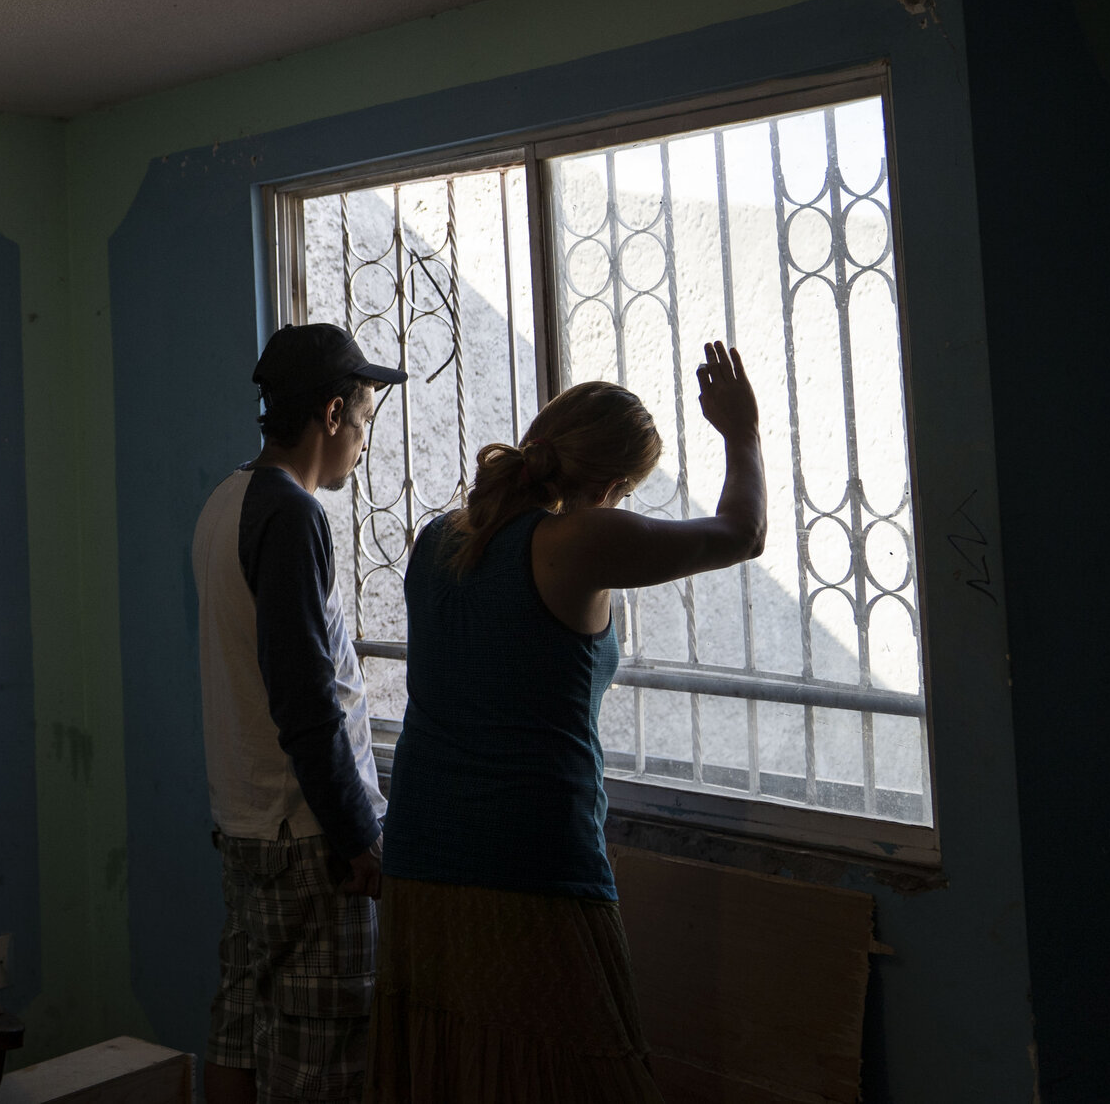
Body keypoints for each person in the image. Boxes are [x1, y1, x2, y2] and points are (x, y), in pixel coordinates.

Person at [370, 342, 766, 1102]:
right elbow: (742, 533)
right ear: (613, 484)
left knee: (450, 1074)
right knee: (579, 1069)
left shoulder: (437, 542)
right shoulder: (577, 541)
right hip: (531, 867)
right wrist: (741, 432)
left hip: (419, 854)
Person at [195, 322, 407, 1104]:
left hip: (247, 824)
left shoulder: (225, 499)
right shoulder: (292, 515)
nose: (361, 439)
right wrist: (358, 833)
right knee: (318, 1059)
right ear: (329, 414)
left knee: (239, 1030)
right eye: (362, 418)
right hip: (305, 834)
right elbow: (304, 697)